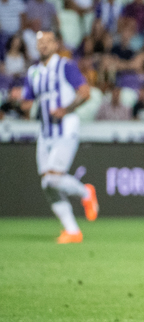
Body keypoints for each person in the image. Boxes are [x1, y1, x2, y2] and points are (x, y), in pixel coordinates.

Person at [20, 31, 99, 243]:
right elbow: (27, 102)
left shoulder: (65, 66)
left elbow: (85, 92)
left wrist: (66, 109)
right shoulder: (33, 72)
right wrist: (19, 102)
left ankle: (85, 192)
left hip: (65, 129)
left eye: (47, 42)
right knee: (47, 183)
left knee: (53, 178)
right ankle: (72, 231)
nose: (43, 46)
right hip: (45, 133)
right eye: (40, 42)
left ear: (56, 45)